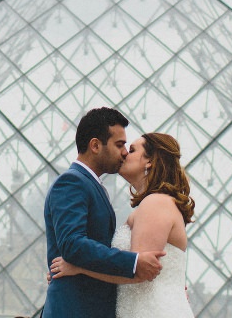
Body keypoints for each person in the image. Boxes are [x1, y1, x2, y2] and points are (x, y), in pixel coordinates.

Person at [50, 132, 196, 318]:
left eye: (132, 150)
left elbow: (138, 271)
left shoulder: (155, 203)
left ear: (149, 161)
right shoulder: (157, 203)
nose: (125, 153)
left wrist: (78, 268)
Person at [42, 107, 166, 318]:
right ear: (95, 145)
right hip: (76, 309)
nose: (125, 152)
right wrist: (134, 262)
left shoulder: (90, 185)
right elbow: (72, 244)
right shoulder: (72, 182)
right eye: (120, 145)